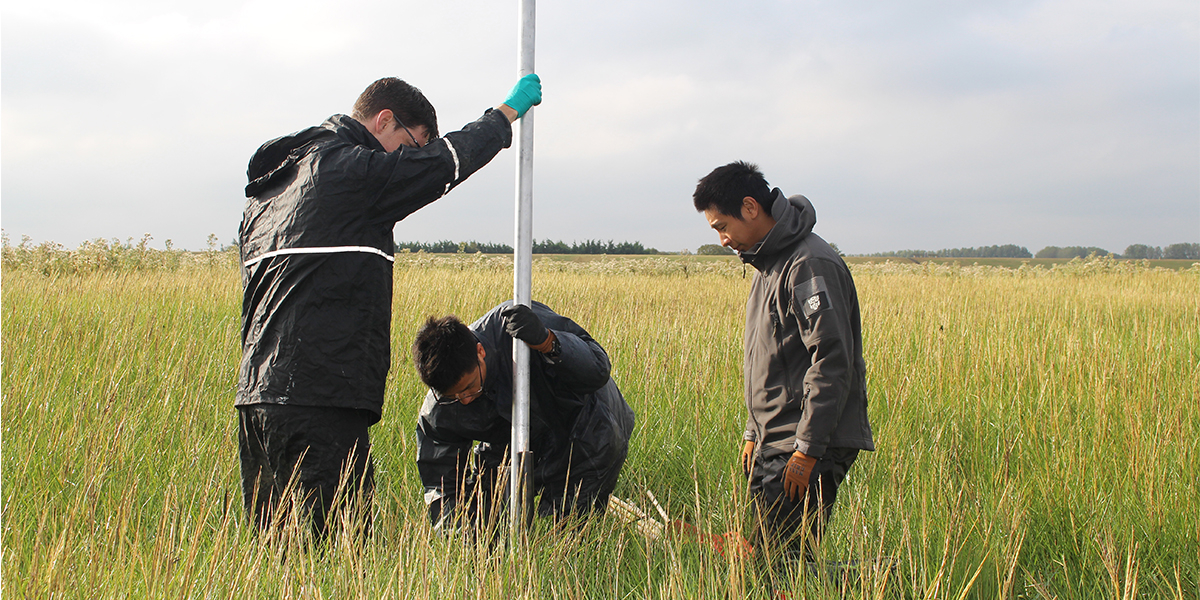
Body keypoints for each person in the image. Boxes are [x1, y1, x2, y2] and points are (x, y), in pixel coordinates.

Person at [236, 74, 542, 540]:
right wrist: (503, 117)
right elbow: (440, 166)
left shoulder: (268, 194)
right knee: (339, 556)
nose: (410, 159)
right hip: (321, 399)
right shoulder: (344, 170)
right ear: (384, 120)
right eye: (410, 145)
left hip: (256, 401)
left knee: (275, 557)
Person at [691, 161, 875, 564]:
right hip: (776, 438)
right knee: (779, 561)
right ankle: (875, 582)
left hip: (807, 441)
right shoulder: (766, 265)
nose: (722, 239)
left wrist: (807, 449)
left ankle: (882, 581)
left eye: (722, 226)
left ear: (751, 207)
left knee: (776, 566)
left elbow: (831, 361)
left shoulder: (807, 264)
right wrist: (752, 431)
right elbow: (772, 361)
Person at [411, 301, 635, 533]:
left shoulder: (517, 327)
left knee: (567, 537)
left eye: (469, 388)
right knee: (489, 517)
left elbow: (598, 369)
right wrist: (458, 532)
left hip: (588, 432)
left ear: (480, 352)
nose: (465, 399)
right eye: (454, 396)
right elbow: (441, 482)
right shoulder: (443, 402)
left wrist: (548, 342)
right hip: (513, 442)